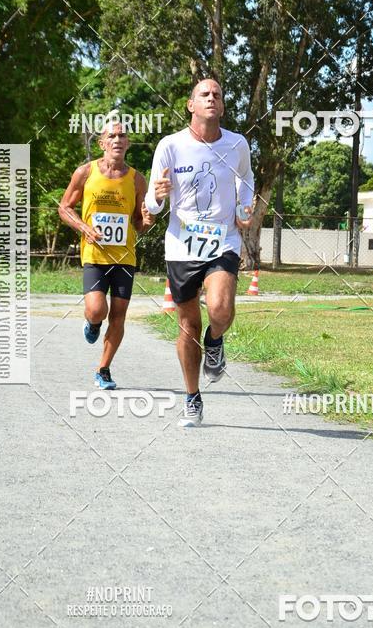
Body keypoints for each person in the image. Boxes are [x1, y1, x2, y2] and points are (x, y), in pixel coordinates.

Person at [144, 78, 254, 427]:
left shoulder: (237, 144)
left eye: (217, 94)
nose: (211, 98)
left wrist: (245, 207)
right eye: (204, 94)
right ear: (191, 105)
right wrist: (158, 196)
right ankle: (192, 398)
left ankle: (216, 340)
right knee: (188, 325)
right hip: (182, 245)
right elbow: (151, 204)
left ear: (221, 107)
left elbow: (246, 178)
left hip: (223, 240)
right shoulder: (170, 146)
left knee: (220, 309)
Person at [58, 120, 153, 389]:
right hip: (95, 256)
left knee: (119, 316)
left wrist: (147, 220)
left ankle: (103, 368)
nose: (117, 139)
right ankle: (93, 321)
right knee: (98, 309)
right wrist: (84, 227)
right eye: (112, 135)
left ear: (128, 143)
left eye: (122, 135)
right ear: (102, 143)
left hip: (124, 258)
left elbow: (139, 222)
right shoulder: (85, 172)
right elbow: (64, 207)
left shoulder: (137, 179)